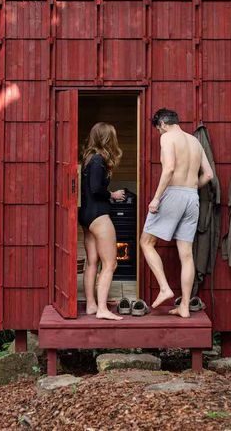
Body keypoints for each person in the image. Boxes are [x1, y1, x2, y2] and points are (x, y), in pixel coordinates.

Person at [140, 108, 214, 318]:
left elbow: (169, 168)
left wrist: (156, 198)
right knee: (186, 254)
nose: (159, 134)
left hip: (173, 194)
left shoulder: (168, 138)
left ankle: (164, 287)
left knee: (146, 242)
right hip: (192, 197)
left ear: (162, 124)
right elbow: (208, 175)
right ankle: (184, 307)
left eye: (158, 130)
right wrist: (189, 188)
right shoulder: (195, 141)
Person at [78, 122, 126, 320]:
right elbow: (97, 189)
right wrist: (112, 194)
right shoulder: (98, 160)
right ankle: (102, 309)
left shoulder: (88, 158)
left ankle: (91, 305)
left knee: (92, 262)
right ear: (108, 139)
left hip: (86, 215)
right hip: (99, 215)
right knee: (110, 264)